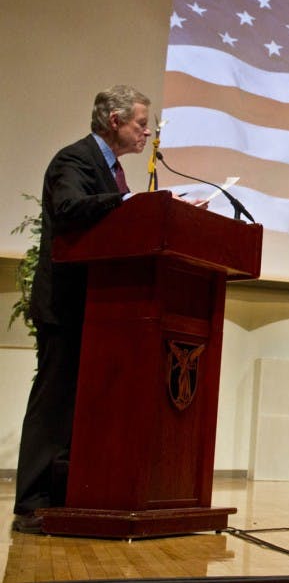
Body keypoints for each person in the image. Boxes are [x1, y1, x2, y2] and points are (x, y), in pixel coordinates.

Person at [12, 85, 152, 533]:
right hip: (66, 304)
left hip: (99, 308)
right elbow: (71, 208)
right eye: (141, 123)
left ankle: (66, 494)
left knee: (80, 405)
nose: (147, 132)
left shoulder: (112, 170)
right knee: (53, 403)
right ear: (115, 121)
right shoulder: (74, 159)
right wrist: (130, 203)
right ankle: (31, 503)